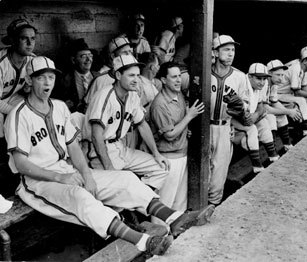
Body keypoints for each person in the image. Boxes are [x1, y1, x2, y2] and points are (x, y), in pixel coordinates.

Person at [4, 56, 215, 256]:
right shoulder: (18, 114)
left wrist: (86, 174)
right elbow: (21, 163)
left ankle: (175, 217)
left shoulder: (59, 107)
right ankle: (143, 241)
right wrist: (61, 178)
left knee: (125, 179)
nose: (47, 82)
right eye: (40, 77)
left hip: (68, 169)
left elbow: (73, 146)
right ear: (29, 81)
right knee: (81, 197)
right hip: (37, 182)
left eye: (50, 76)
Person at [82, 54, 170, 192]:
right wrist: (109, 167)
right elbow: (96, 136)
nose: (136, 80)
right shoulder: (104, 96)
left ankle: (139, 203)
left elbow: (142, 124)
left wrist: (156, 153)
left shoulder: (133, 95)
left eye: (137, 75)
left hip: (121, 148)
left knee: (161, 168)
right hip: (101, 152)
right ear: (118, 75)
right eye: (131, 75)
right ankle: (135, 205)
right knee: (119, 188)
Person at [150, 61, 204, 212]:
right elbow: (169, 135)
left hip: (181, 155)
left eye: (179, 76)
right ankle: (161, 234)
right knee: (165, 203)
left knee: (180, 202)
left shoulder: (178, 94)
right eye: (173, 77)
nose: (178, 80)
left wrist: (185, 129)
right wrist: (189, 116)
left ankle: (175, 235)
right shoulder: (159, 104)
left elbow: (177, 126)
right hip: (168, 160)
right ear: (163, 80)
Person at [210, 35, 251, 205]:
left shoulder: (240, 77)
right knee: (201, 171)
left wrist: (241, 108)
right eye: (226, 49)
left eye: (233, 50)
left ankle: (212, 206)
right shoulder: (204, 72)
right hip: (204, 126)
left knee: (219, 174)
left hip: (225, 126)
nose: (231, 53)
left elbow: (246, 107)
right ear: (215, 52)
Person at [0, 19, 36, 161]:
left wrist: (28, 89)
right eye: (24, 38)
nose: (30, 43)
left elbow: (30, 91)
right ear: (13, 41)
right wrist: (16, 112)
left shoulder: (33, 60)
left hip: (11, 97)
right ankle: (2, 160)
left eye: (32, 38)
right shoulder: (2, 62)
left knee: (32, 108)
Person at [84, 37, 133, 108]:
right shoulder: (100, 80)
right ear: (113, 56)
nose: (129, 56)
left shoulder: (136, 78)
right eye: (125, 52)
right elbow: (88, 107)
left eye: (130, 52)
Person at [245, 63, 280, 162]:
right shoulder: (242, 85)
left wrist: (256, 115)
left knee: (264, 122)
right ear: (250, 76)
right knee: (253, 130)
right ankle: (257, 166)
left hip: (249, 118)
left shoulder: (257, 87)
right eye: (259, 78)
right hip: (234, 123)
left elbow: (260, 107)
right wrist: (254, 116)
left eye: (264, 79)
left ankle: (273, 156)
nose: (262, 82)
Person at [265, 60, 303, 151]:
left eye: (282, 75)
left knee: (281, 114)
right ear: (269, 73)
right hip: (248, 111)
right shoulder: (263, 83)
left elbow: (274, 102)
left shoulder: (274, 84)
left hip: (260, 110)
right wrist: (288, 111)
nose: (281, 78)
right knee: (271, 118)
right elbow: (265, 109)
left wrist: (290, 112)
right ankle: (272, 153)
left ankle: (287, 145)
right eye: (278, 75)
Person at [53, 38, 97, 113]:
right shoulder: (64, 80)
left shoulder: (98, 77)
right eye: (83, 56)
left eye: (90, 56)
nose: (88, 59)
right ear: (73, 60)